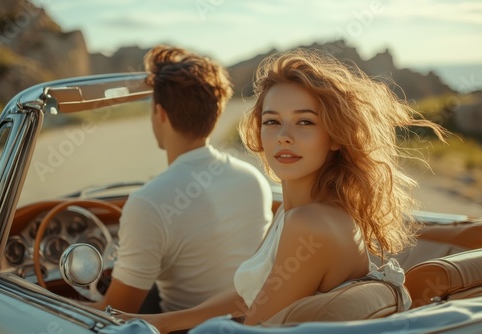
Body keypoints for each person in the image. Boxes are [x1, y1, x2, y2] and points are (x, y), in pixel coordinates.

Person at [117, 48, 446, 332]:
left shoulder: (310, 224)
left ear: (333, 136)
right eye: (272, 121)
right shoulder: (301, 210)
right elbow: (249, 296)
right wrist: (164, 322)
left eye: (304, 122)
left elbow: (255, 328)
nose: (284, 136)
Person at [87, 45, 273, 314]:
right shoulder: (253, 180)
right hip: (253, 325)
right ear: (217, 112)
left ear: (160, 113)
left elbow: (115, 314)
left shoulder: (147, 203)